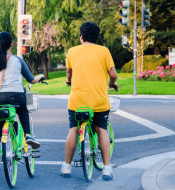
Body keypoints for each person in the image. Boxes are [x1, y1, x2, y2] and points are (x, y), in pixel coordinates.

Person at [0, 32, 43, 182]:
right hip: (16, 96)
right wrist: (40, 77)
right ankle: (27, 135)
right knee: (22, 110)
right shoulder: (17, 60)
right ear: (11, 44)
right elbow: (31, 79)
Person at [60, 22, 118, 181]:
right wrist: (112, 84)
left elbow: (69, 72)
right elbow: (113, 74)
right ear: (96, 36)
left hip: (77, 102)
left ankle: (66, 167)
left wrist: (68, 80)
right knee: (102, 130)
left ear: (81, 37)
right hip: (99, 101)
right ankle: (106, 169)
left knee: (73, 129)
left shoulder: (72, 51)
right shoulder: (104, 51)